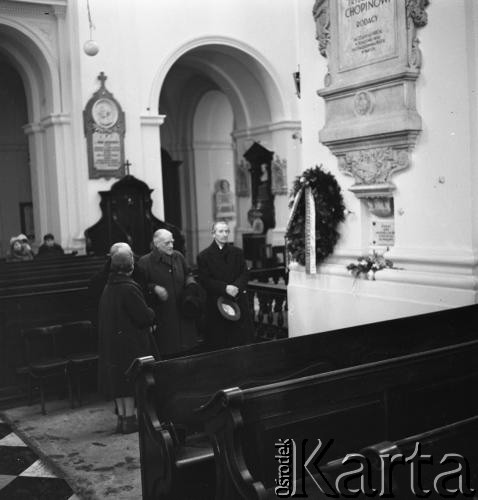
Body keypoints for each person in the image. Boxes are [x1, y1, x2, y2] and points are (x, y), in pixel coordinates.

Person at [98, 247, 155, 434]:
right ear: (130, 267)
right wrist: (152, 312)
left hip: (113, 343)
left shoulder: (108, 286)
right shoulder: (129, 288)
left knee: (120, 383)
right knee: (130, 382)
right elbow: (144, 317)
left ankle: (123, 418)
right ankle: (130, 421)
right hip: (130, 343)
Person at [137, 229, 200, 357]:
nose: (171, 246)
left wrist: (191, 283)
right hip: (164, 315)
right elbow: (140, 287)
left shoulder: (178, 256)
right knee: (168, 351)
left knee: (188, 351)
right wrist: (154, 287)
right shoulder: (145, 262)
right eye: (167, 243)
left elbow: (188, 274)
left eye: (172, 242)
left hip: (183, 311)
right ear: (156, 244)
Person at [197, 220, 254, 350]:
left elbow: (244, 273)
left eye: (226, 231)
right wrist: (225, 288)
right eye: (220, 231)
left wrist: (236, 287)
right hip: (217, 301)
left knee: (240, 341)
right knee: (220, 342)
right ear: (213, 234)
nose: (224, 234)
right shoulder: (203, 256)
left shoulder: (237, 252)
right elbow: (205, 280)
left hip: (237, 299)